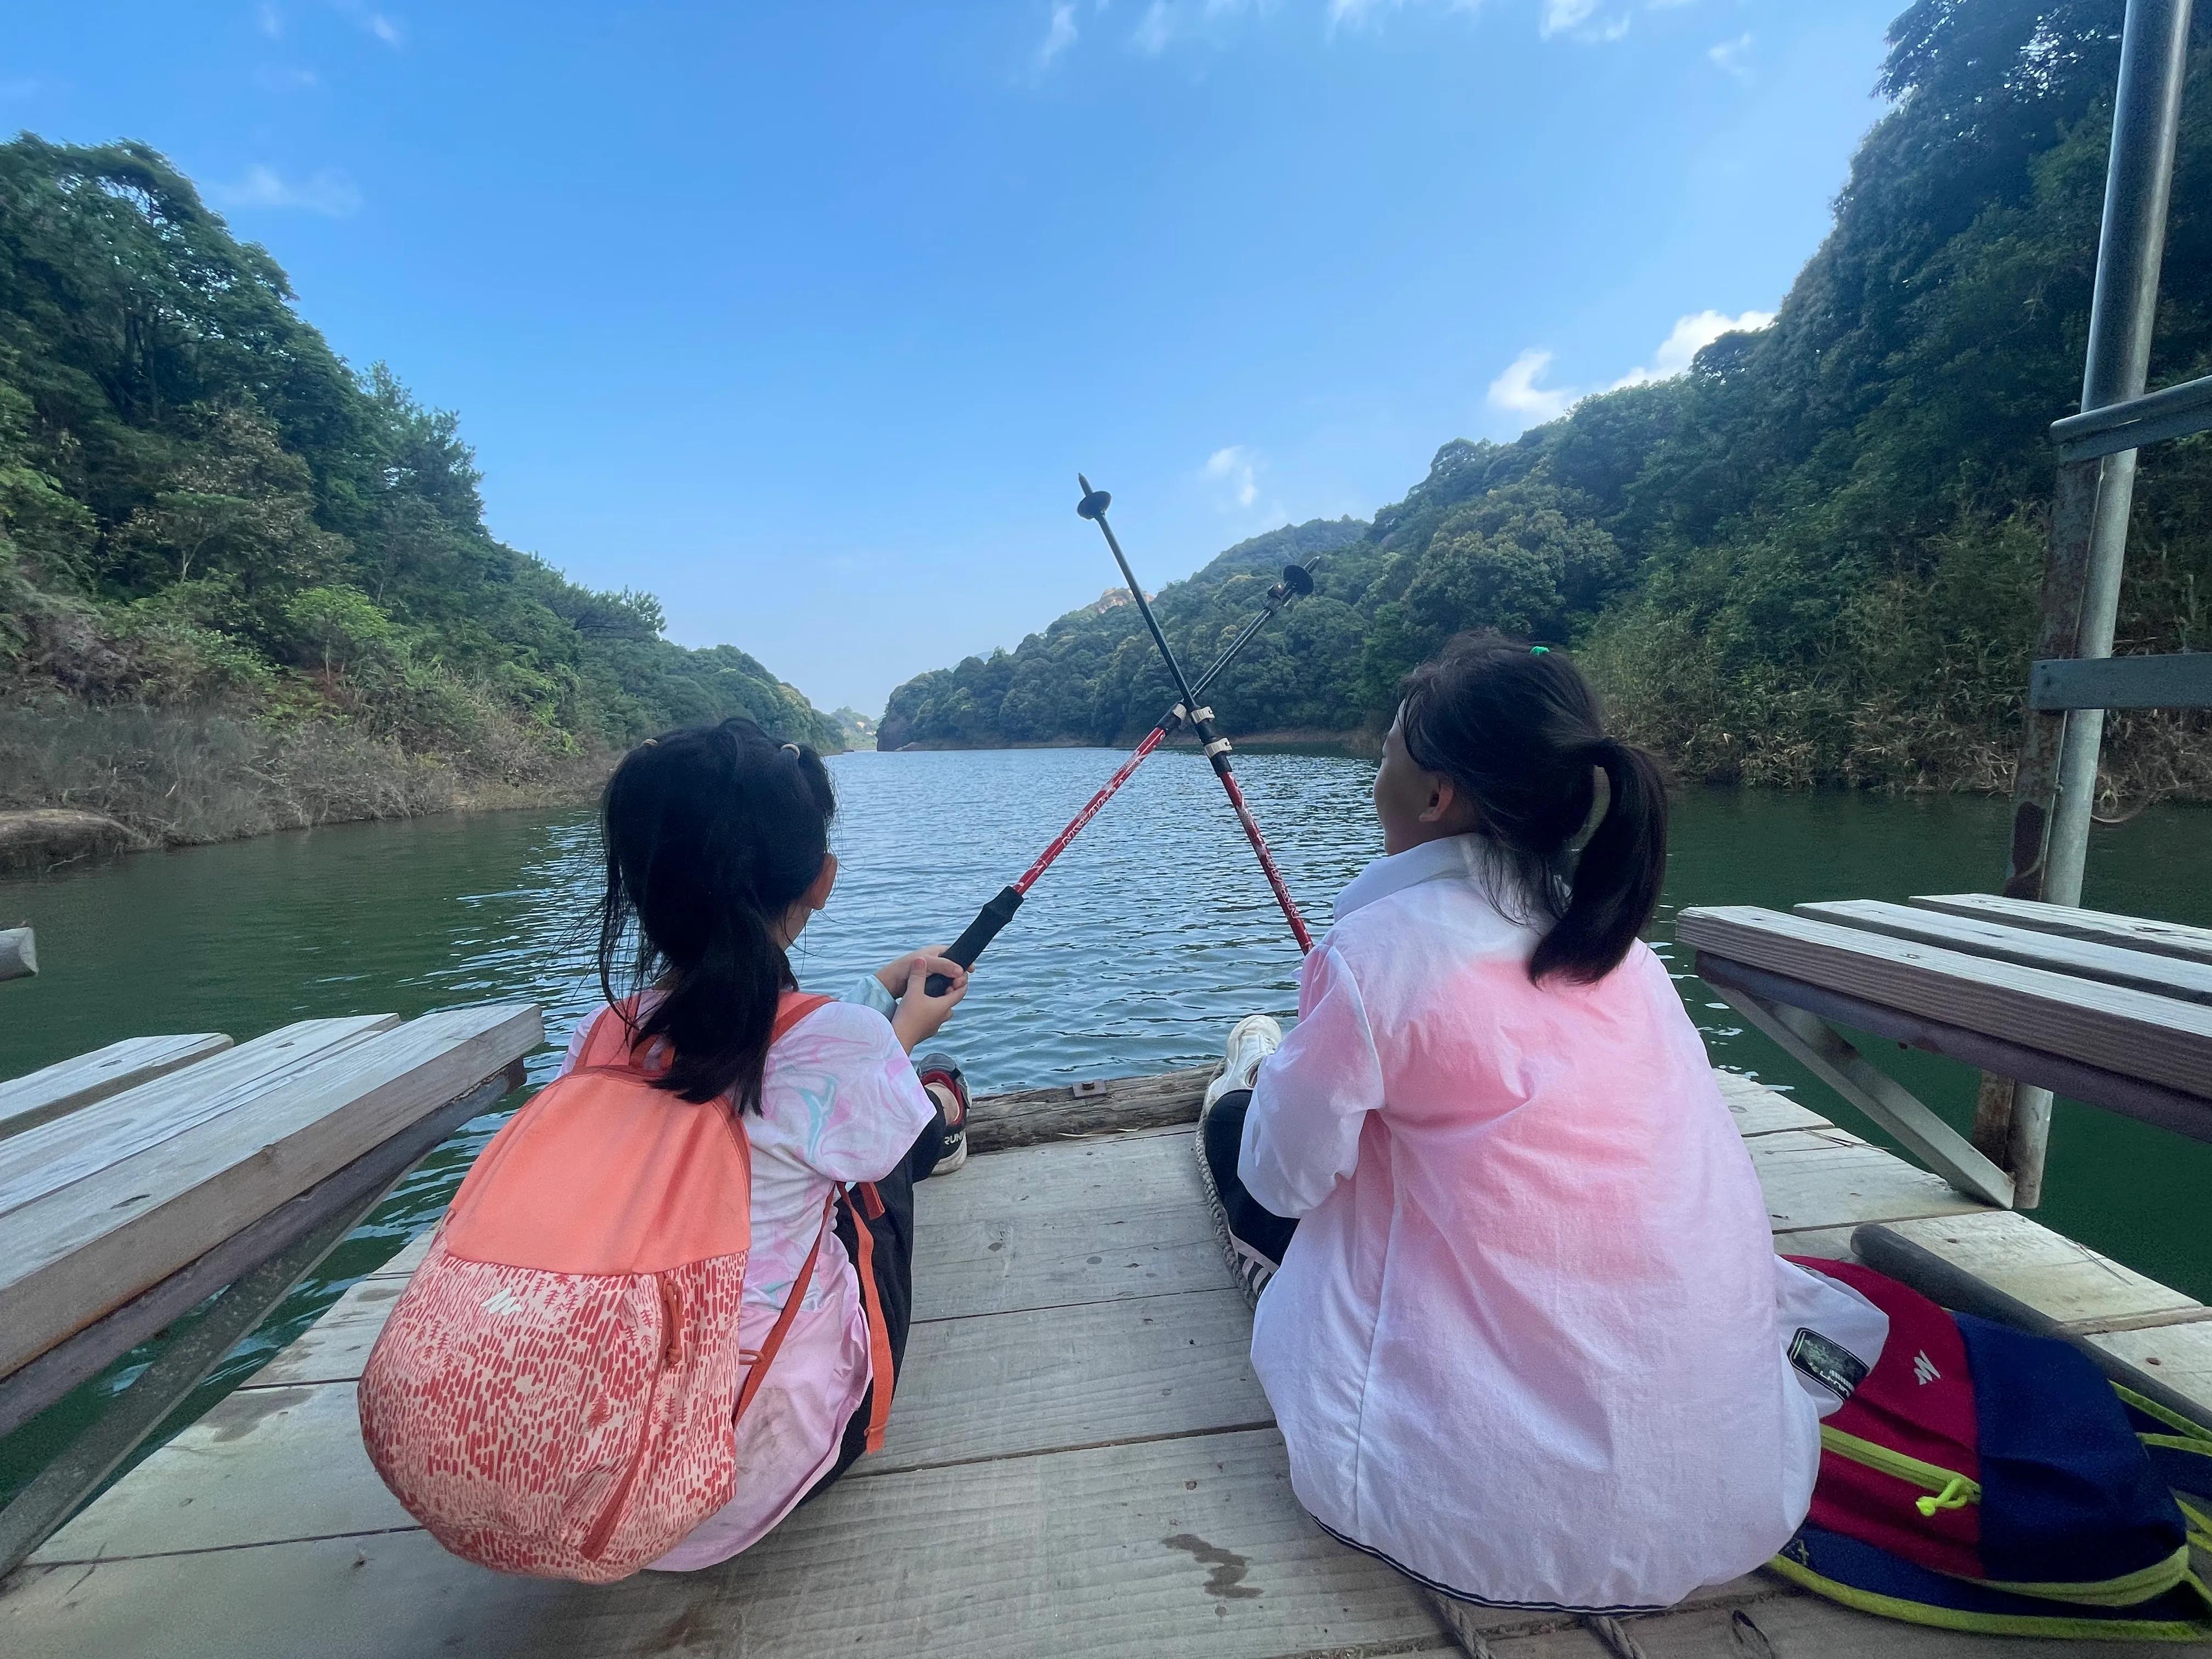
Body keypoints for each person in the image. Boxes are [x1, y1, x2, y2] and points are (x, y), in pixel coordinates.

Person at [1195, 634, 1885, 1614]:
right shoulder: (1617, 944)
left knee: (1240, 1135)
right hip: (1728, 1482)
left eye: (1388, 748)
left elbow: (1282, 1183)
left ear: (1435, 796)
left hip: (1488, 1514)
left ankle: (1245, 1063)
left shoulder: (1375, 953)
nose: (1375, 770)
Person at [565, 716, 974, 1569]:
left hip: (586, 1472)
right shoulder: (850, 1046)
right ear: (820, 880)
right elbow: (826, 1080)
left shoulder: (600, 1036)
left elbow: (753, 1044)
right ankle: (945, 1103)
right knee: (894, 1152)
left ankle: (930, 1095)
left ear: (642, 886)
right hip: (750, 1469)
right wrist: (898, 1037)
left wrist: (877, 994)